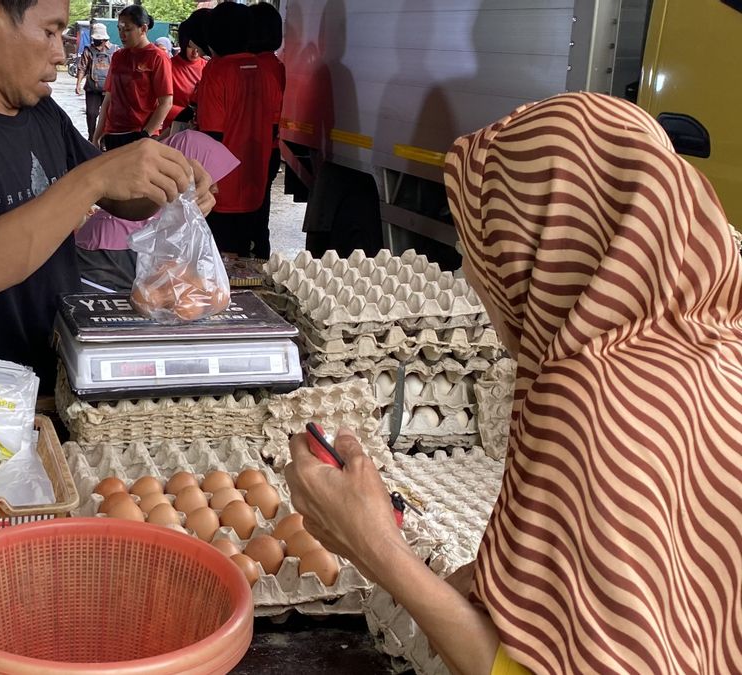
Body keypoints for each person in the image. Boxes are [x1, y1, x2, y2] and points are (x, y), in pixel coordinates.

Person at [285, 92, 742, 675]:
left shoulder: (593, 399)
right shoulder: (717, 347)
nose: (473, 272)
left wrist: (380, 553)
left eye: (481, 242)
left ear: (541, 251)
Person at [0, 0, 216, 392]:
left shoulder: (42, 113)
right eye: (50, 32)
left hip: (57, 371)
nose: (61, 55)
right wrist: (92, 178)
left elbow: (120, 199)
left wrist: (166, 183)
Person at [76, 130, 238, 291]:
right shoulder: (130, 224)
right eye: (212, 175)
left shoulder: (154, 207)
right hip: (101, 266)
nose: (216, 188)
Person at [193, 2, 280, 257]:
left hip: (221, 190)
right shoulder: (267, 72)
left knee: (219, 264)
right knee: (248, 257)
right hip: (256, 184)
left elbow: (211, 137)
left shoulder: (217, 72)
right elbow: (273, 128)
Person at [91, 5, 173, 150]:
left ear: (143, 29)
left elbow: (166, 103)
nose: (122, 35)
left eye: (128, 30)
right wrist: (97, 135)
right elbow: (108, 99)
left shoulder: (158, 57)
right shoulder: (118, 56)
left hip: (139, 133)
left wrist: (145, 134)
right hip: (113, 133)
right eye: (120, 29)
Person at [249, 1, 285, 259]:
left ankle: (256, 257)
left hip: (255, 147)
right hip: (270, 148)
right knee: (261, 209)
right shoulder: (275, 64)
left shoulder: (256, 67)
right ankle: (261, 253)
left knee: (253, 210)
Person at [162, 14, 206, 134]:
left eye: (198, 47)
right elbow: (160, 103)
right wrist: (189, 114)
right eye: (190, 47)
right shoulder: (168, 66)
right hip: (172, 129)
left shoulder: (207, 66)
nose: (195, 52)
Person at [74, 23, 118, 142]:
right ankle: (92, 138)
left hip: (109, 90)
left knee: (108, 116)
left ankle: (103, 139)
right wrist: (78, 84)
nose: (97, 41)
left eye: (99, 39)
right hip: (92, 88)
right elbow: (82, 67)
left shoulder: (115, 50)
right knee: (91, 114)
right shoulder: (88, 50)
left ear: (105, 38)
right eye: (95, 39)